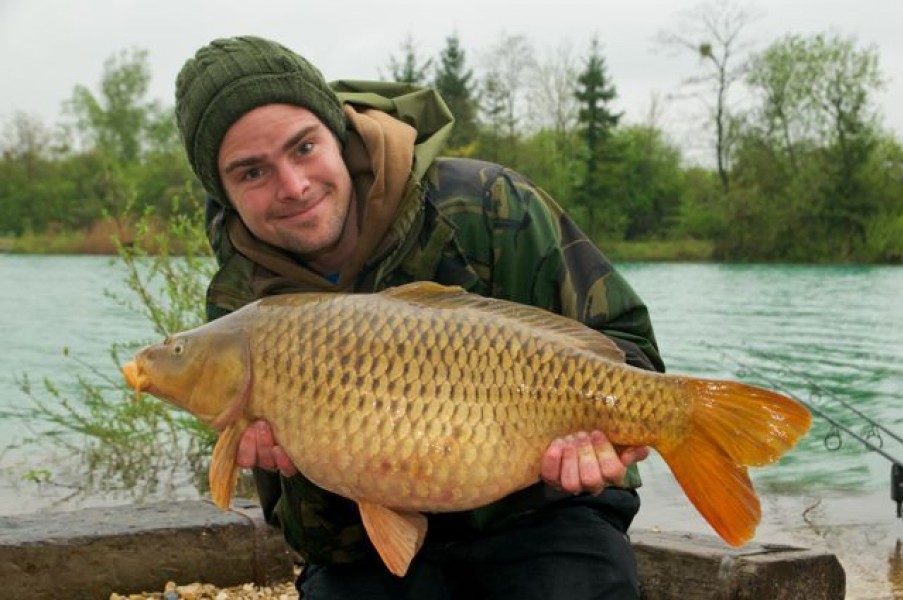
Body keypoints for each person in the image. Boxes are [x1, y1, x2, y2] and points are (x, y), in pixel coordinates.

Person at [174, 35, 665, 599]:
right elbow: (312, 539)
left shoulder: (487, 205)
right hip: (365, 544)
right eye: (251, 173)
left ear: (338, 133)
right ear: (224, 191)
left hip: (541, 513)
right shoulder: (243, 307)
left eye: (303, 147)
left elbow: (628, 347)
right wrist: (300, 467)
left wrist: (605, 447)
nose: (293, 186)